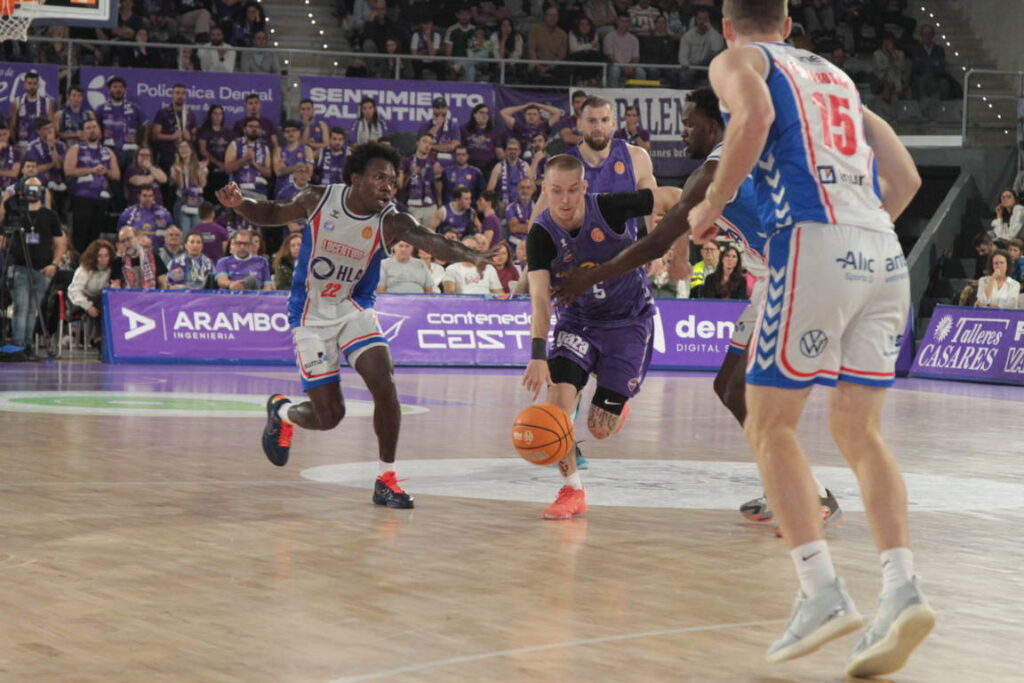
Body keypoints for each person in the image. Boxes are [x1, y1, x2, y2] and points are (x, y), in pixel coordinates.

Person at [684, 2, 933, 676]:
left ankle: (821, 590)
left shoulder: (739, 60)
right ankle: (902, 586)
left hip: (812, 242)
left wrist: (712, 204)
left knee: (770, 424)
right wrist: (861, 234)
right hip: (884, 253)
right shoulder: (840, 81)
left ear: (729, 27)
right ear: (790, 24)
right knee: (861, 432)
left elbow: (755, 118)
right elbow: (907, 179)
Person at [215, 141, 495, 508]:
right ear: (355, 178)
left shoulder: (392, 219)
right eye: (379, 178)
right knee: (330, 416)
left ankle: (386, 479)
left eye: (392, 181)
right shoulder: (318, 198)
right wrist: (241, 204)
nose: (387, 187)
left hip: (353, 309)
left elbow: (431, 240)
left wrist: (470, 255)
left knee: (385, 383)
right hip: (310, 315)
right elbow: (270, 211)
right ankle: (282, 412)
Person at [522, 154, 657, 520]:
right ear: (544, 190)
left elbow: (668, 198)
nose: (564, 200)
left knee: (600, 429)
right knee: (557, 406)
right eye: (555, 191)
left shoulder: (611, 208)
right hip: (578, 322)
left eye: (571, 191)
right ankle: (572, 490)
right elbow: (539, 299)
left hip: (629, 321)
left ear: (584, 188)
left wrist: (672, 244)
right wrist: (538, 354)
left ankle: (614, 394)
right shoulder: (541, 234)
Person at [0, 178, 61, 360]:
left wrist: (55, 264)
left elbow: (59, 243)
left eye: (36, 188)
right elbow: (4, 236)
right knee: (22, 307)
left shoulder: (50, 216)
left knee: (33, 309)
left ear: (41, 190)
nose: (32, 192)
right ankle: (18, 346)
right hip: (19, 267)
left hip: (43, 269)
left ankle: (27, 346)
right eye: (29, 188)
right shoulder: (16, 215)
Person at [64, 119, 120, 254]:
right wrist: (91, 170)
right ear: (83, 133)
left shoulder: (108, 151)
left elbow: (116, 175)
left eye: (94, 127)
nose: (92, 130)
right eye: (88, 128)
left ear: (100, 131)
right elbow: (68, 171)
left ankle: (92, 261)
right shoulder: (76, 149)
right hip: (82, 197)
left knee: (95, 234)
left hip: (101, 198)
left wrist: (105, 171)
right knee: (80, 233)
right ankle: (78, 262)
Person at [67, 238, 114, 343]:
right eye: (100, 256)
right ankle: (95, 337)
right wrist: (88, 306)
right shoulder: (84, 269)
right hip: (80, 299)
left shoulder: (111, 269)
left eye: (106, 256)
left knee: (105, 301)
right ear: (94, 257)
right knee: (98, 305)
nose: (103, 259)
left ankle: (102, 337)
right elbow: (74, 291)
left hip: (99, 299)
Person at [150, 84, 197, 173]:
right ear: (172, 95)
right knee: (167, 183)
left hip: (185, 154)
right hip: (167, 153)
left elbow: (195, 136)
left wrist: (190, 137)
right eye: (177, 93)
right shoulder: (162, 113)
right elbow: (155, 135)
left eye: (183, 93)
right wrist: (172, 137)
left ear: (186, 96)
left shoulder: (190, 114)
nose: (180, 96)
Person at [399, 133, 443, 227]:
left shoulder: (434, 163)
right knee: (414, 237)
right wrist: (409, 173)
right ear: (417, 143)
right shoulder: (406, 161)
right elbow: (400, 185)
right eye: (424, 142)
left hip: (430, 205)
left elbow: (437, 187)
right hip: (413, 206)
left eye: (430, 143)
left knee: (430, 237)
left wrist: (438, 176)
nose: (427, 145)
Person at [225, 117, 272, 200]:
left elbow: (268, 173)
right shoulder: (235, 144)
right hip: (240, 190)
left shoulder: (265, 148)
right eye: (251, 126)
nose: (254, 129)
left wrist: (254, 164)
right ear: (244, 129)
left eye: (257, 127)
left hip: (259, 192)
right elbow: (228, 168)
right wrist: (244, 159)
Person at [678, 7, 726, 88]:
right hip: (691, 67)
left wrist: (710, 29)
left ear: (709, 20)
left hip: (707, 68)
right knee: (684, 75)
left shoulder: (713, 34)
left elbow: (717, 49)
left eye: (705, 19)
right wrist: (687, 67)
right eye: (699, 19)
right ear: (695, 20)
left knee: (717, 68)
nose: (702, 22)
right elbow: (683, 56)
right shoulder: (688, 36)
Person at [117, 186, 176, 250]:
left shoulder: (164, 213)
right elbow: (120, 233)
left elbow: (172, 232)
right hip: (135, 250)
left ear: (153, 197)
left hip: (159, 250)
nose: (148, 198)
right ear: (139, 196)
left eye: (150, 196)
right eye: (145, 196)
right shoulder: (128, 213)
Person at [10, 72, 55, 149]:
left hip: (41, 144)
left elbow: (51, 127)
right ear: (24, 84)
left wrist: (50, 144)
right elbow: (13, 125)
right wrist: (14, 144)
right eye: (29, 83)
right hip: (22, 144)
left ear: (38, 85)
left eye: (34, 83)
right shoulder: (17, 101)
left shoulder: (47, 102)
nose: (32, 86)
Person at [170, 140, 208, 232]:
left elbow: (203, 184)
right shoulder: (175, 167)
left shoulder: (200, 165)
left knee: (197, 231)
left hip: (197, 200)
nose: (183, 149)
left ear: (191, 150)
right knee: (184, 231)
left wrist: (202, 171)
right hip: (182, 200)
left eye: (186, 147)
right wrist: (180, 174)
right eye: (181, 147)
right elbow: (181, 186)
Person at [197, 105, 231, 201]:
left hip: (224, 170)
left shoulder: (228, 132)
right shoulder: (204, 132)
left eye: (220, 114)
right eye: (215, 113)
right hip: (208, 170)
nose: (217, 116)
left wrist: (226, 164)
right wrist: (218, 163)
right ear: (210, 115)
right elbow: (202, 150)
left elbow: (232, 149)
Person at [461, 103, 505, 178]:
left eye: (487, 113)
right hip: (469, 167)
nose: (484, 115)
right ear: (474, 114)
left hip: (488, 168)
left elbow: (499, 151)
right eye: (481, 112)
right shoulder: (464, 130)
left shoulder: (494, 131)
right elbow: (460, 148)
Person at [486, 138, 530, 208]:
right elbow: (489, 191)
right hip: (504, 208)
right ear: (505, 151)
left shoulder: (526, 166)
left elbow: (532, 187)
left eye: (515, 149)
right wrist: (498, 204)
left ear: (520, 151)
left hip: (523, 206)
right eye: (510, 149)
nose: (513, 151)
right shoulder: (498, 167)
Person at [603, 16, 645, 87]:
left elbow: (636, 58)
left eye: (627, 22)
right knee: (615, 71)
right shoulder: (609, 37)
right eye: (622, 21)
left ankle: (637, 95)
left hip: (629, 65)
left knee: (641, 72)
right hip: (614, 65)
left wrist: (631, 67)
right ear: (617, 22)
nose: (625, 24)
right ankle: (612, 94)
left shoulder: (634, 39)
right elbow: (610, 57)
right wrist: (623, 67)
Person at [506, 177, 536, 245]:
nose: (525, 191)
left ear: (533, 190)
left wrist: (522, 226)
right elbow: (514, 228)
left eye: (528, 188)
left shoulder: (538, 208)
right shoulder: (511, 207)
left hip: (534, 244)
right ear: (517, 190)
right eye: (522, 188)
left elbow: (540, 229)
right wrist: (532, 227)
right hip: (516, 244)